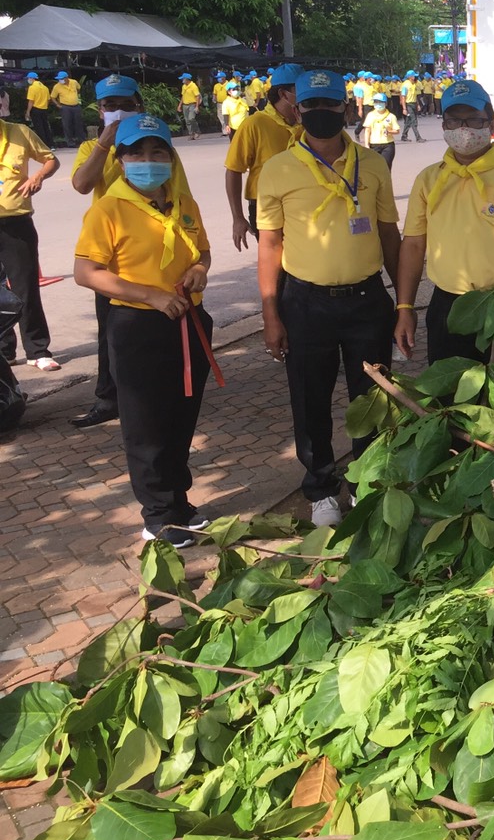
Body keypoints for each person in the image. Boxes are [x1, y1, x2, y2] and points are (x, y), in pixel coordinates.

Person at [255, 69, 401, 527]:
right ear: (297, 110)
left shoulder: (373, 164)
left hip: (367, 301)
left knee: (372, 397)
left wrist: (406, 305)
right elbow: (270, 244)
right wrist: (271, 312)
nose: (320, 113)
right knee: (310, 397)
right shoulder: (277, 168)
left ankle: (364, 482)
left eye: (330, 105)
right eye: (310, 106)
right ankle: (320, 489)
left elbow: (388, 235)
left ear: (347, 108)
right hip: (304, 303)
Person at [73, 113, 213, 546]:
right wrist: (149, 295)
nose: (147, 160)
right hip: (138, 325)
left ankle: (179, 501)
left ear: (170, 158)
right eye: (136, 153)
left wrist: (200, 271)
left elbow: (202, 251)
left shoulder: (183, 203)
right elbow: (85, 272)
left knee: (180, 415)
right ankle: (158, 516)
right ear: (121, 158)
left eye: (157, 152)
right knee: (146, 423)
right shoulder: (108, 209)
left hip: (188, 321)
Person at [395, 77, 494, 369]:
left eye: (473, 119)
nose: (464, 129)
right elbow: (413, 244)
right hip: (448, 307)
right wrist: (405, 307)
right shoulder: (429, 179)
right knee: (452, 404)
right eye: (454, 120)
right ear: (443, 125)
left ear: (490, 123)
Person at [70, 74, 196, 428]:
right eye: (111, 106)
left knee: (167, 326)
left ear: (138, 105)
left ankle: (171, 388)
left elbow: (181, 200)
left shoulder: (159, 150)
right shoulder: (92, 147)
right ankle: (109, 397)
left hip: (156, 249)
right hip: (109, 257)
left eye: (127, 104)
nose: (119, 111)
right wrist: (105, 144)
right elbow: (81, 184)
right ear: (100, 110)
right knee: (110, 332)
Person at [0, 105, 61, 371]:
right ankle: (4, 351)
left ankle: (37, 350)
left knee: (25, 288)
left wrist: (38, 176)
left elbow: (51, 160)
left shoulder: (20, 132)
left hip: (17, 223)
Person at [225, 63, 302, 249]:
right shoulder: (255, 124)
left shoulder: (307, 123)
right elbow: (233, 171)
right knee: (276, 266)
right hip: (266, 207)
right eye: (300, 89)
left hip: (302, 203)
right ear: (284, 94)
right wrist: (238, 217)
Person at [362, 93, 401, 172]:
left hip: (388, 145)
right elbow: (367, 130)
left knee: (386, 167)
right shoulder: (370, 115)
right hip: (374, 145)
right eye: (376, 102)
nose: (378, 104)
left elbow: (397, 131)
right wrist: (366, 144)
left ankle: (387, 183)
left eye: (380, 102)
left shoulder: (391, 116)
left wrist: (390, 131)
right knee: (374, 169)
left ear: (385, 103)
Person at [50, 72, 84, 148]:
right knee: (67, 125)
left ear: (66, 78)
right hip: (65, 107)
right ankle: (70, 142)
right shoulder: (57, 86)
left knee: (78, 123)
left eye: (62, 79)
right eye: (59, 79)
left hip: (76, 106)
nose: (60, 80)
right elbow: (52, 97)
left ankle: (81, 140)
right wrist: (58, 105)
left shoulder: (74, 82)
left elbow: (78, 89)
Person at [24, 72, 53, 148]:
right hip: (44, 109)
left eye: (28, 78)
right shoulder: (45, 88)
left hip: (36, 110)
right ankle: (50, 144)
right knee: (46, 127)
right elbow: (48, 100)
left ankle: (43, 145)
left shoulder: (32, 87)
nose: (28, 80)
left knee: (39, 128)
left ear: (32, 78)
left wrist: (28, 112)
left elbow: (31, 101)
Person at [177, 73, 202, 139]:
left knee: (191, 118)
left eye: (183, 79)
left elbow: (197, 96)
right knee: (187, 120)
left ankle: (197, 131)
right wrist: (179, 105)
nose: (182, 80)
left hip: (192, 104)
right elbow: (183, 96)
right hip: (185, 105)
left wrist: (197, 106)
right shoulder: (184, 86)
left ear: (187, 79)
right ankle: (191, 134)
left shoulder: (193, 86)